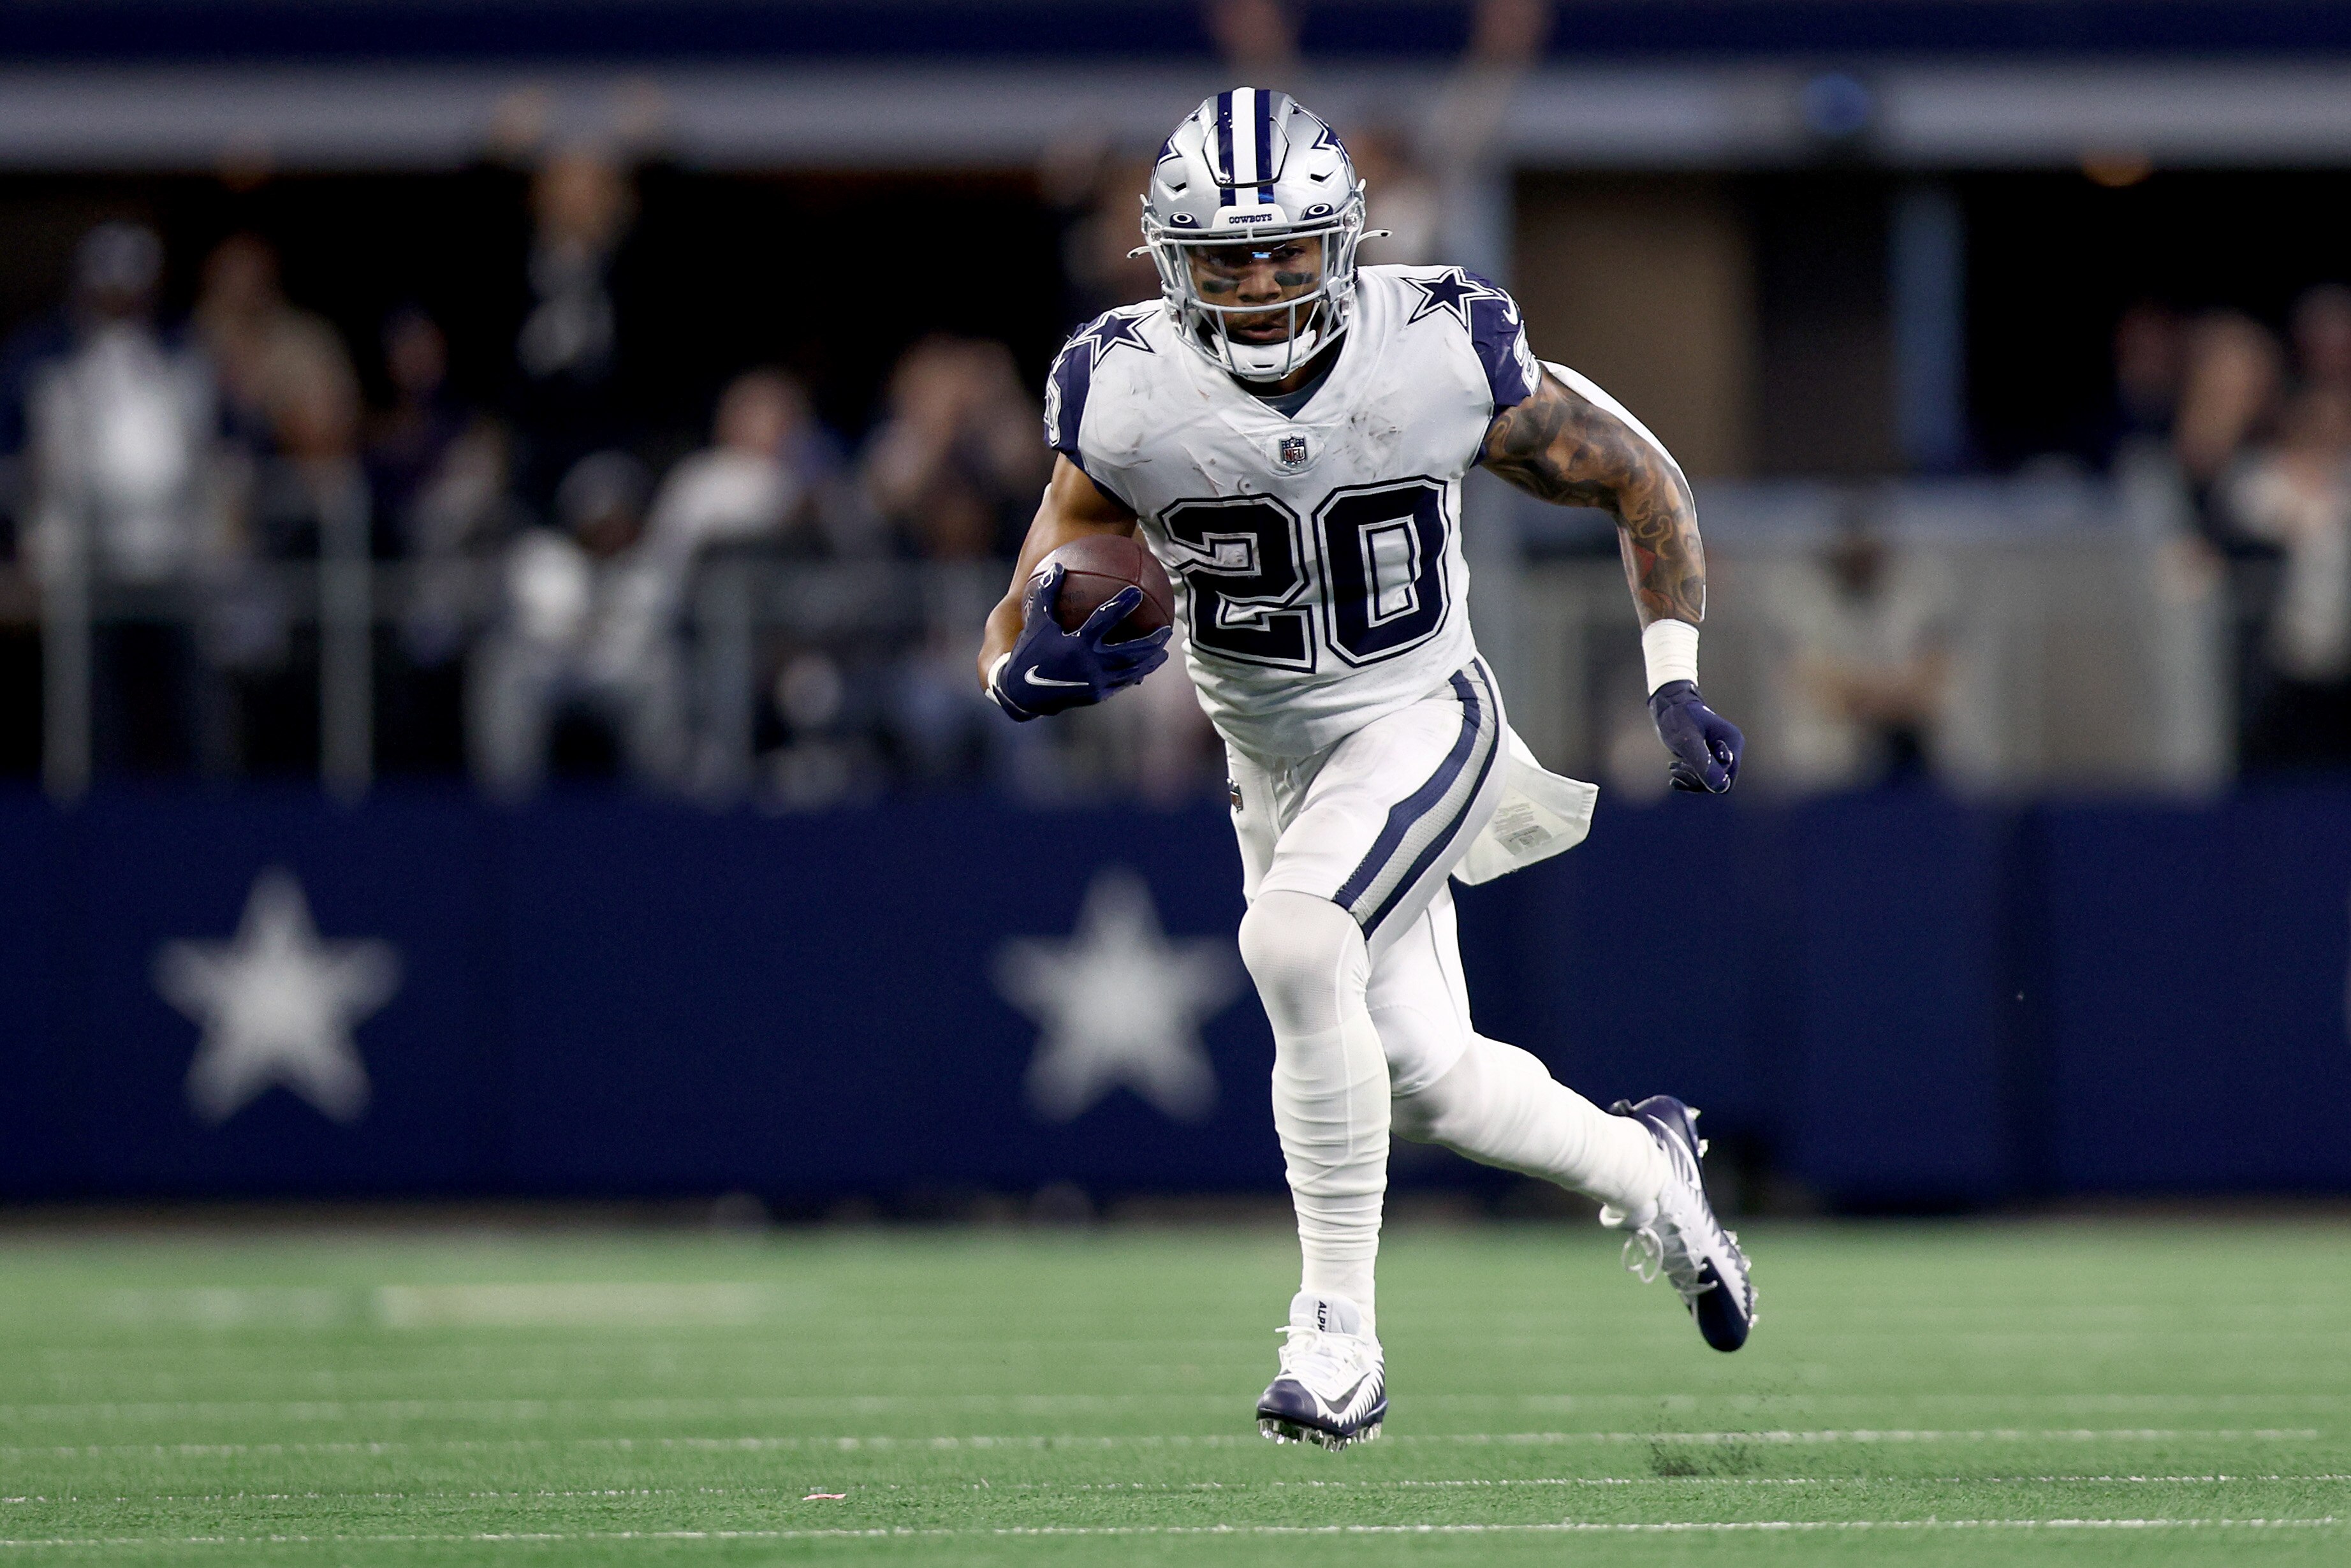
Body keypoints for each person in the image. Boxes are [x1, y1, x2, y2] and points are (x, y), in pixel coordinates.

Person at [973, 91, 1755, 1451]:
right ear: (1168, 260)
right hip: (1268, 760)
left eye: (1285, 249)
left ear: (1342, 238)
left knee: (1291, 942)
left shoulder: (1437, 344)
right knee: (1429, 1079)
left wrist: (1670, 674)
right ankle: (1652, 1169)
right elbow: (1027, 588)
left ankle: (1336, 1339)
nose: (1262, 281)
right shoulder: (1122, 386)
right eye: (1227, 257)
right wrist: (1011, 670)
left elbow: (1640, 478)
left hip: (1417, 714)